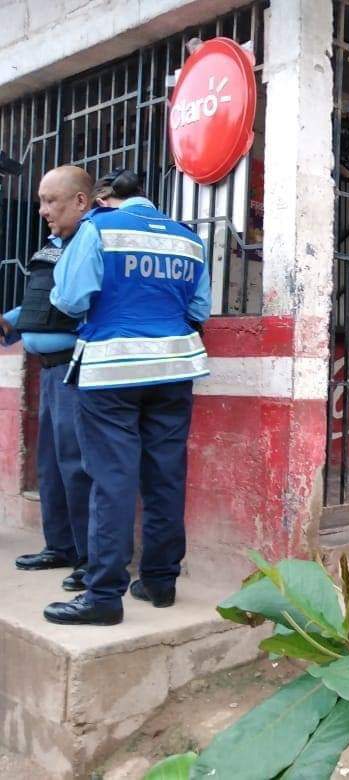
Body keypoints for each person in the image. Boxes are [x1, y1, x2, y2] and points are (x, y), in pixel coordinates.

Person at [42, 169, 211, 626]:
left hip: (111, 371)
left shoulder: (96, 230)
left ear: (102, 198)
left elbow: (71, 300)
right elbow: (199, 310)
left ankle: (103, 596)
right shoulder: (188, 238)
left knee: (111, 480)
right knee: (166, 476)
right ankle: (159, 580)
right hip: (175, 370)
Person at [1, 166, 94, 591]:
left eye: (50, 201)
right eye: (40, 201)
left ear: (80, 201)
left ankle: (88, 556)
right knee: (51, 463)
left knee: (76, 465)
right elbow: (43, 305)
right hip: (49, 372)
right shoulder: (55, 245)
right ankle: (60, 546)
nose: (42, 210)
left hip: (76, 369)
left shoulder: (91, 243)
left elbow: (84, 304)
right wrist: (11, 322)